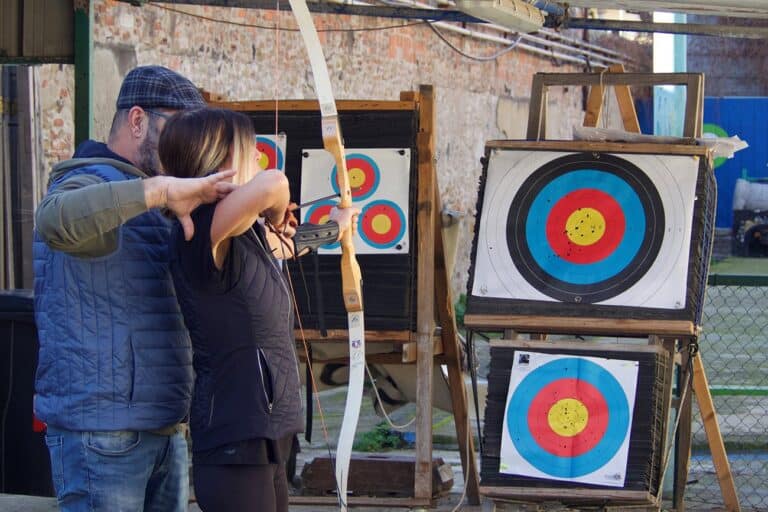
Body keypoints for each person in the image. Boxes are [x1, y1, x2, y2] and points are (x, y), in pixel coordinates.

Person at [33, 66, 236, 512]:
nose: (190, 146)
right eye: (180, 130)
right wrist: (161, 189)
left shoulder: (161, 196)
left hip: (165, 429)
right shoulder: (85, 182)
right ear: (138, 121)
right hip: (102, 434)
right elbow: (55, 221)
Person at [157, 107, 358, 512]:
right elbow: (274, 185)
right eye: (250, 152)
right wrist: (277, 211)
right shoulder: (199, 230)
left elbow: (284, 246)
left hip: (266, 434)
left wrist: (335, 228)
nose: (258, 161)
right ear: (221, 164)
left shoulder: (239, 233)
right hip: (236, 436)